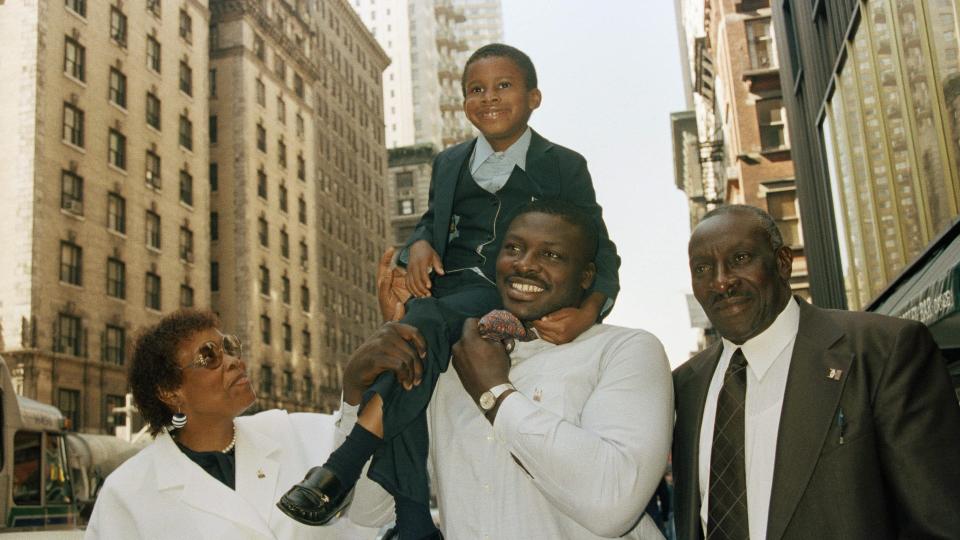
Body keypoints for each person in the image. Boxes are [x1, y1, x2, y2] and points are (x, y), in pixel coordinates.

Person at [278, 43, 621, 536]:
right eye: (475, 90)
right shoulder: (450, 162)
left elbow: (601, 250)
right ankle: (414, 521)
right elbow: (429, 222)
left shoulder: (564, 165)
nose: (489, 97)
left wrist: (589, 309)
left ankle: (352, 463)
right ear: (463, 103)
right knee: (415, 362)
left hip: (514, 291)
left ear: (534, 97)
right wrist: (417, 246)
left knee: (415, 330)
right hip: (449, 287)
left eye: (504, 86)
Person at [338, 201, 671, 539]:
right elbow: (369, 508)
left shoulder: (624, 351)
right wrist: (356, 391)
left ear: (585, 276)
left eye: (551, 255)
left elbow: (612, 504)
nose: (524, 264)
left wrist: (494, 392)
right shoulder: (449, 364)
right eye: (513, 248)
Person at [673, 205, 960, 539]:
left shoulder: (882, 351)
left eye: (740, 259)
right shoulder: (684, 386)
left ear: (782, 262)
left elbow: (940, 522)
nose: (721, 282)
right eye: (703, 268)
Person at [85, 310, 375, 540]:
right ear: (170, 392)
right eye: (209, 355)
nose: (235, 361)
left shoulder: (291, 432)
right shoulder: (127, 493)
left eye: (230, 347)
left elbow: (368, 446)